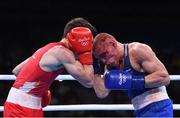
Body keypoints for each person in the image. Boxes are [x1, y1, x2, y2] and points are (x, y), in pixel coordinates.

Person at [3, 17, 97, 117]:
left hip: (25, 106)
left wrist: (42, 91)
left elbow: (17, 71)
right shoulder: (63, 53)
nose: (88, 45)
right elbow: (89, 81)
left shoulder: (48, 47)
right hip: (19, 109)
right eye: (87, 41)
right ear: (77, 37)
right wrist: (85, 53)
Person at [93, 33, 173, 117]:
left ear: (112, 44)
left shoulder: (137, 50)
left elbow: (164, 77)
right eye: (100, 58)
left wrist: (133, 81)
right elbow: (102, 93)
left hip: (159, 108)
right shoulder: (111, 67)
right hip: (139, 111)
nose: (103, 61)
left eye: (104, 54)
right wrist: (94, 68)